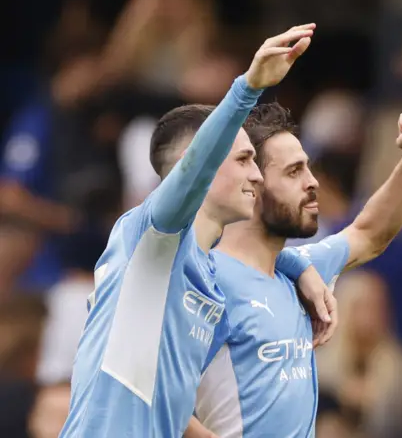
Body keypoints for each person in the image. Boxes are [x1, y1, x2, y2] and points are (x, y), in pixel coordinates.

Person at [59, 24, 321, 438]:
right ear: (195, 161)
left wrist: (297, 266)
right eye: (243, 159)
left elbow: (172, 410)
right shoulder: (150, 238)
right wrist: (248, 87)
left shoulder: (210, 278)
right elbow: (190, 178)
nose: (256, 175)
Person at [188, 104, 402, 437]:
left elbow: (369, 234)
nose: (313, 183)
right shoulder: (204, 279)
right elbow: (153, 394)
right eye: (294, 172)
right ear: (251, 185)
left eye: (308, 169)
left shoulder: (298, 271)